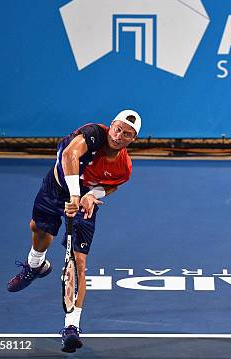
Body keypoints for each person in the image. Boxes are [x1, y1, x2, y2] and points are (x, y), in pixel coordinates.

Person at [7, 110, 141, 353]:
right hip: (56, 188)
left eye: (127, 134)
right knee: (39, 230)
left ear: (133, 140)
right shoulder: (92, 134)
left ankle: (71, 327)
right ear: (111, 126)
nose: (119, 135)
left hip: (83, 203)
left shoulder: (125, 168)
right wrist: (75, 194)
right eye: (118, 128)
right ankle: (36, 264)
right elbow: (70, 154)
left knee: (79, 262)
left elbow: (110, 187)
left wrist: (91, 195)